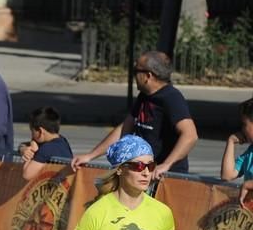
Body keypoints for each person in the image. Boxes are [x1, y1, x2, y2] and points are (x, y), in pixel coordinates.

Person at [72, 51, 198, 180]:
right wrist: (90, 155)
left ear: (148, 75)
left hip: (166, 178)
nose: (133, 76)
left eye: (136, 71)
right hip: (144, 174)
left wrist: (166, 165)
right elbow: (124, 129)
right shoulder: (144, 96)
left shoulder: (171, 98)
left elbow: (190, 135)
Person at [221, 98, 253, 181]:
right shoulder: (250, 153)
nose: (242, 129)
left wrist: (248, 185)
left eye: (244, 124)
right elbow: (227, 175)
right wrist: (230, 141)